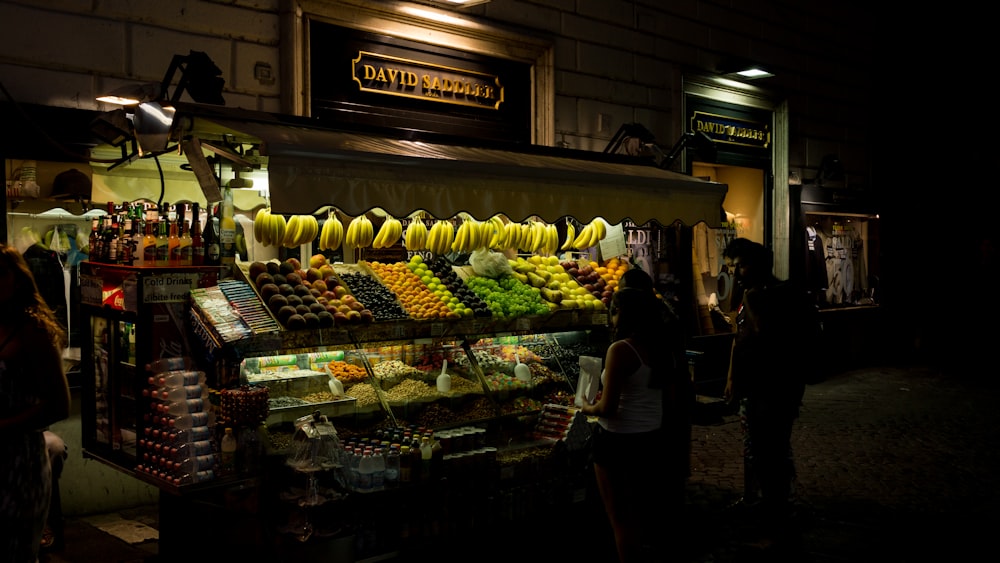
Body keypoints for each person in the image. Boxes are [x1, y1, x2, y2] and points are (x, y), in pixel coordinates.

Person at [578, 286, 684, 562]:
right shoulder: (663, 349)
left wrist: (586, 406)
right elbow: (669, 401)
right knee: (640, 514)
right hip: (651, 438)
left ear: (623, 314)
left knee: (620, 519)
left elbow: (608, 408)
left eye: (614, 311)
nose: (612, 318)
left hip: (617, 442)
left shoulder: (620, 350)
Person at [723, 238, 813, 550]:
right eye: (732, 268)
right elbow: (741, 338)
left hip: (773, 392)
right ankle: (766, 508)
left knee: (770, 455)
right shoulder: (752, 296)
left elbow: (764, 334)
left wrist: (750, 299)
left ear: (758, 265)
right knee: (761, 452)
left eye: (740, 266)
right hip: (757, 391)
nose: (736, 274)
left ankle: (778, 523)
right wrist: (733, 379)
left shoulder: (773, 296)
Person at [0, 244, 71, 563]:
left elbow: (59, 405)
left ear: (17, 280)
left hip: (20, 464)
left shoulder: (34, 330)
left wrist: (5, 427)